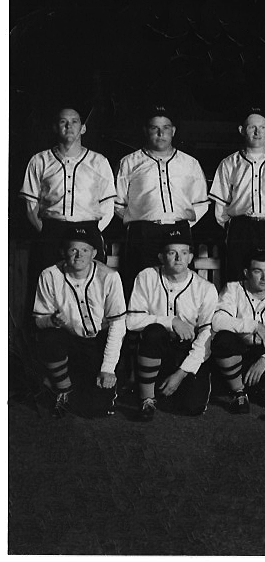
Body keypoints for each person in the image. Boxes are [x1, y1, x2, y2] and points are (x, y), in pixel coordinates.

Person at [32, 227, 126, 418]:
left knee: (95, 409)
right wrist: (51, 320)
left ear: (94, 253)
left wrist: (107, 369)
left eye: (84, 250)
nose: (78, 255)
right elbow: (38, 321)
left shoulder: (109, 276)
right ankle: (62, 389)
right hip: (68, 341)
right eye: (73, 249)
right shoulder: (49, 275)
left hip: (98, 342)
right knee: (49, 336)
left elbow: (118, 325)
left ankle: (82, 382)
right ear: (63, 252)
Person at [126, 227, 218, 421]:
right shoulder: (147, 276)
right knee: (154, 331)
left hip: (187, 351)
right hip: (155, 347)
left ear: (191, 257)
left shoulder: (205, 288)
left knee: (193, 407)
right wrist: (171, 321)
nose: (179, 258)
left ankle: (166, 383)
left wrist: (181, 373)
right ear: (161, 256)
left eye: (184, 253)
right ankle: (147, 398)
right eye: (172, 252)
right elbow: (132, 321)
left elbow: (206, 338)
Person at [115, 105, 209, 293]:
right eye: (154, 128)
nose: (160, 133)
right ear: (146, 131)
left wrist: (179, 223)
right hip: (143, 233)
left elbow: (200, 203)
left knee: (178, 286)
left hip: (179, 230)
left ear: (173, 131)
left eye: (165, 128)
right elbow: (118, 203)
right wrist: (143, 222)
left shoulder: (189, 163)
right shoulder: (129, 162)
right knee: (140, 285)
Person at [209, 107, 265, 288]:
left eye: (262, 127)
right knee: (236, 280)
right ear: (242, 130)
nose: (257, 132)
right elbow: (221, 205)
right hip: (241, 228)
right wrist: (232, 227)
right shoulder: (229, 163)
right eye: (252, 127)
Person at [20, 106, 116, 275]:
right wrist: (45, 231)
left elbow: (108, 204)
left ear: (83, 128)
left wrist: (94, 230)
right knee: (48, 286)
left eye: (74, 122)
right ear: (55, 127)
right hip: (52, 231)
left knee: (89, 289)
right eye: (63, 122)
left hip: (88, 229)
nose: (68, 126)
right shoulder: (40, 160)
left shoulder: (98, 161)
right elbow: (30, 203)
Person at [210, 249, 265, 414]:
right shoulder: (233, 288)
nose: (264, 278)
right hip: (239, 353)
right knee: (223, 339)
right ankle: (239, 392)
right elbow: (217, 321)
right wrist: (255, 326)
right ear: (247, 272)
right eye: (258, 271)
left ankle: (257, 386)